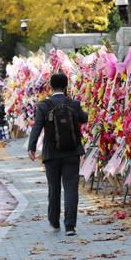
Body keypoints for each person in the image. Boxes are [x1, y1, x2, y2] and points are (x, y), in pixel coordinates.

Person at [28, 74, 87, 236]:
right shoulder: (73, 104)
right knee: (70, 189)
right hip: (72, 152)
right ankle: (70, 226)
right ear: (66, 85)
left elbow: (37, 127)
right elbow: (84, 119)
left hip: (51, 153)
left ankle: (54, 221)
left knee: (53, 188)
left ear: (50, 86)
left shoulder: (44, 106)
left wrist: (31, 147)